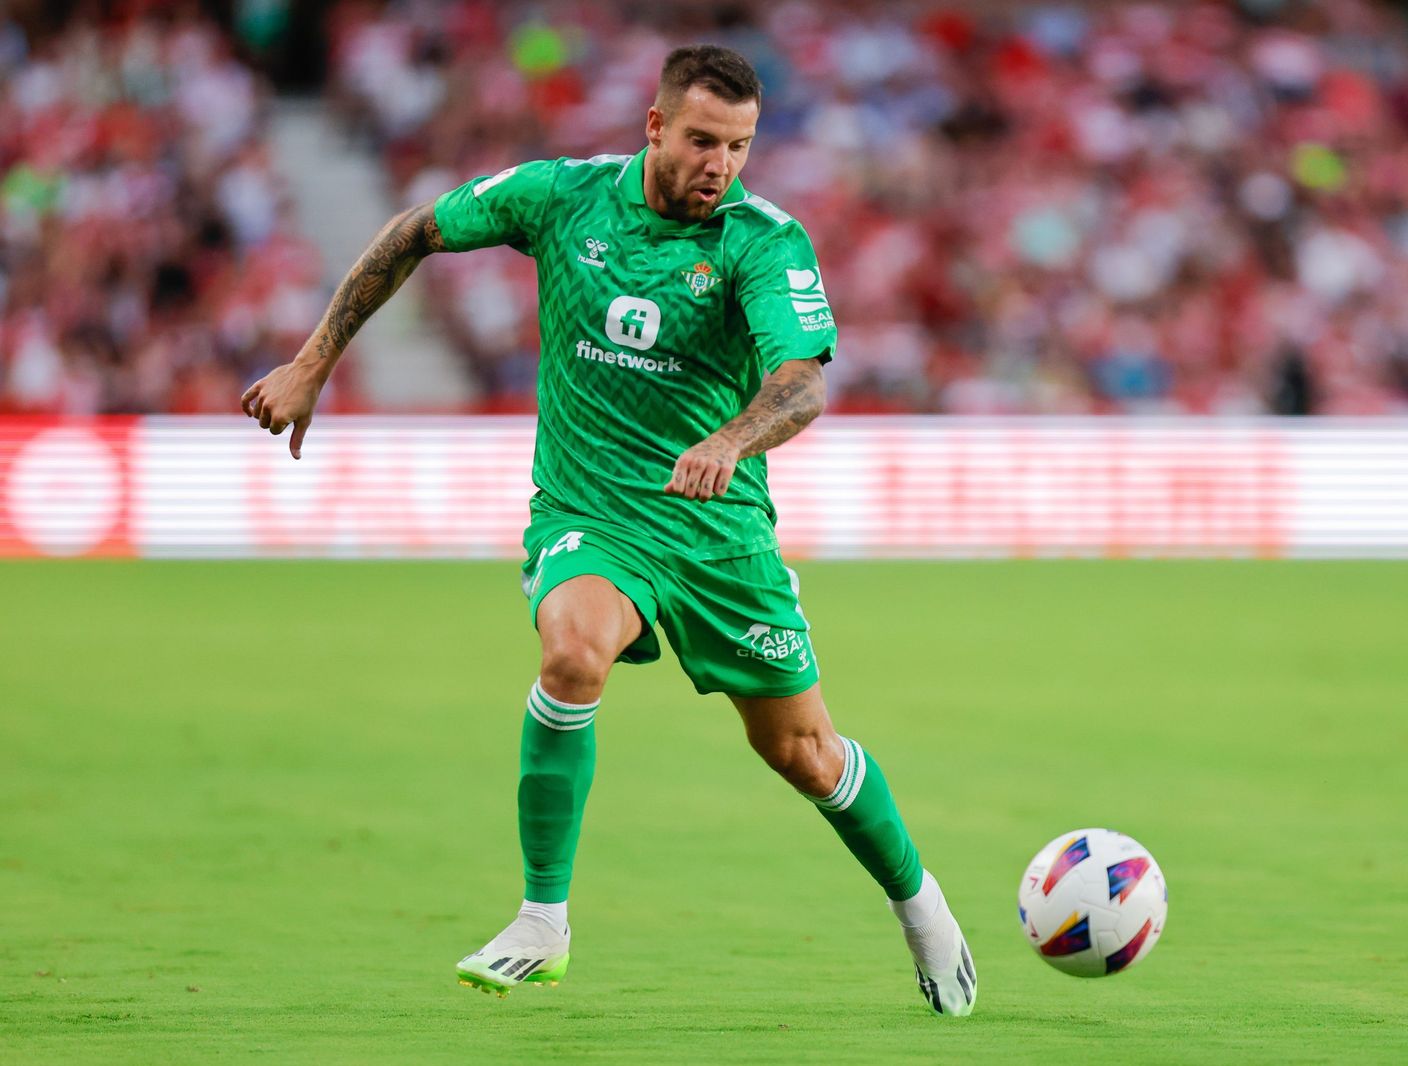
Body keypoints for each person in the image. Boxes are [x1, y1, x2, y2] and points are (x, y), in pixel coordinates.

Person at [240, 44, 975, 1017]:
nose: (722, 164)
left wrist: (730, 437)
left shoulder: (762, 240)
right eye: (705, 140)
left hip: (717, 534)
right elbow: (415, 231)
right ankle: (543, 920)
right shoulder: (561, 197)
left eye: (741, 146)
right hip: (592, 514)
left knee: (803, 753)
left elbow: (800, 383)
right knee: (572, 653)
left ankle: (919, 903)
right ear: (656, 127)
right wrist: (311, 362)